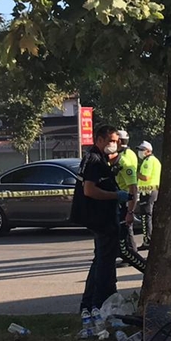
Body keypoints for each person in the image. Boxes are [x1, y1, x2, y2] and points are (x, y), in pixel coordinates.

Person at [70, 124, 128, 324]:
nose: (115, 144)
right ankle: (99, 304)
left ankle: (88, 305)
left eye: (117, 141)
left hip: (98, 217)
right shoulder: (95, 160)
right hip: (100, 218)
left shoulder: (94, 157)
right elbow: (90, 190)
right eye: (111, 140)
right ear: (100, 139)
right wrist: (115, 195)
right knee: (105, 265)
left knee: (100, 262)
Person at [136, 141, 161, 250]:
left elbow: (146, 177)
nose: (140, 152)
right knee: (150, 216)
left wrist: (135, 173)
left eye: (142, 150)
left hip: (147, 191)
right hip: (153, 191)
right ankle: (151, 240)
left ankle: (147, 241)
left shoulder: (148, 161)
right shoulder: (154, 160)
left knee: (146, 216)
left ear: (148, 151)